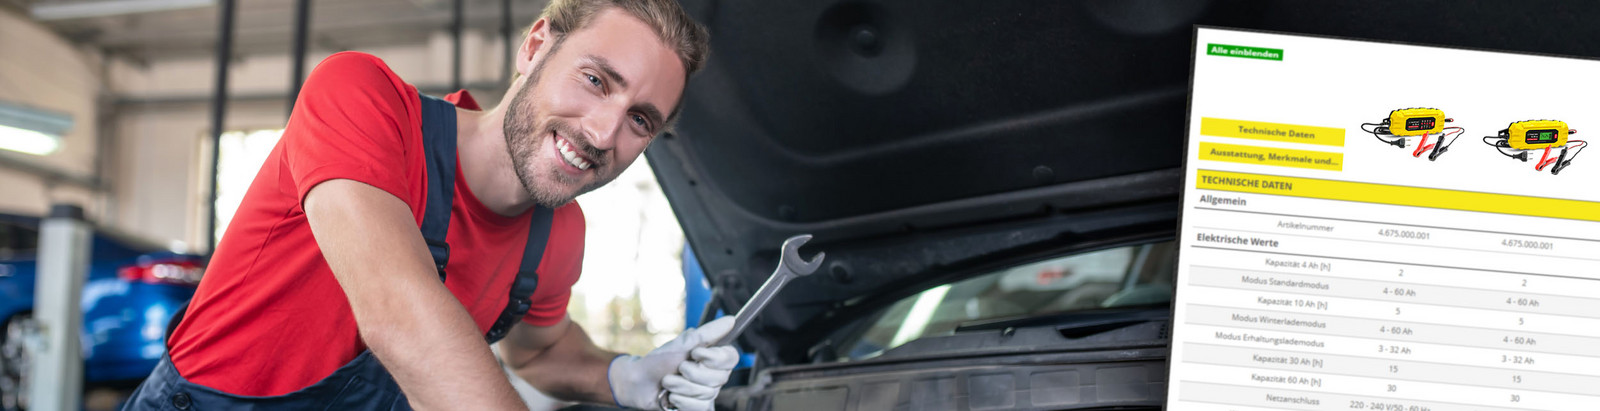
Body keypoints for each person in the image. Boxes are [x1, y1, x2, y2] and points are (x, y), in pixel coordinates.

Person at [122, 0, 735, 410]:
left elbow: (541, 351)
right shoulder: (362, 101)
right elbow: (402, 318)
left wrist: (621, 376)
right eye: (597, 80)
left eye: (640, 120)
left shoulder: (559, 234)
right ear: (537, 45)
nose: (603, 134)